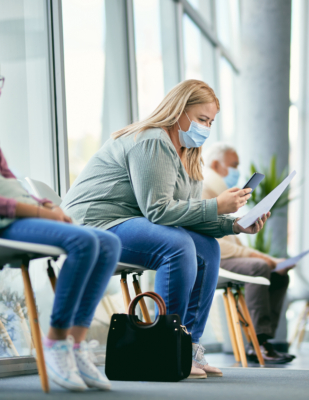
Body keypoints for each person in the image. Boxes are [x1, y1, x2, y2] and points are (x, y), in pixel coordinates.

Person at [61, 80, 269, 379]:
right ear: (178, 111)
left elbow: (185, 214)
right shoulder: (152, 140)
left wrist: (234, 224)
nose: (206, 127)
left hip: (132, 220)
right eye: (201, 119)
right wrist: (218, 206)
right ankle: (166, 345)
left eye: (210, 122)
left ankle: (189, 346)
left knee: (207, 246)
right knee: (177, 244)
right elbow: (158, 210)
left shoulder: (188, 153)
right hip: (97, 222)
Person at [0, 72, 121, 392]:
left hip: (21, 213)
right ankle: (55, 340)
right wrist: (40, 211)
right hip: (6, 222)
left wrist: (49, 207)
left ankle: (76, 344)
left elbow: (10, 179)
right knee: (82, 241)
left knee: (109, 242)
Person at [202, 143, 295, 364]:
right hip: (213, 260)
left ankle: (262, 341)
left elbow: (231, 241)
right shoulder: (206, 191)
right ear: (216, 165)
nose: (237, 172)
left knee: (280, 273)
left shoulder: (222, 195)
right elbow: (220, 246)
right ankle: (257, 342)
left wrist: (272, 261)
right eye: (234, 165)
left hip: (226, 259)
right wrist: (266, 259)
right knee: (260, 268)